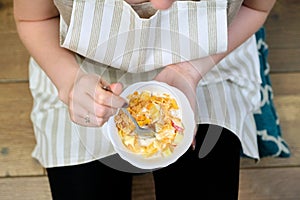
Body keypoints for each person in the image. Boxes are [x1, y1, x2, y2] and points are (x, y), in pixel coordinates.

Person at [13, 0, 276, 199]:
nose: (161, 5)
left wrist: (190, 71)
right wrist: (69, 80)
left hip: (204, 61)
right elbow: (34, 20)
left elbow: (256, 7)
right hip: (81, 67)